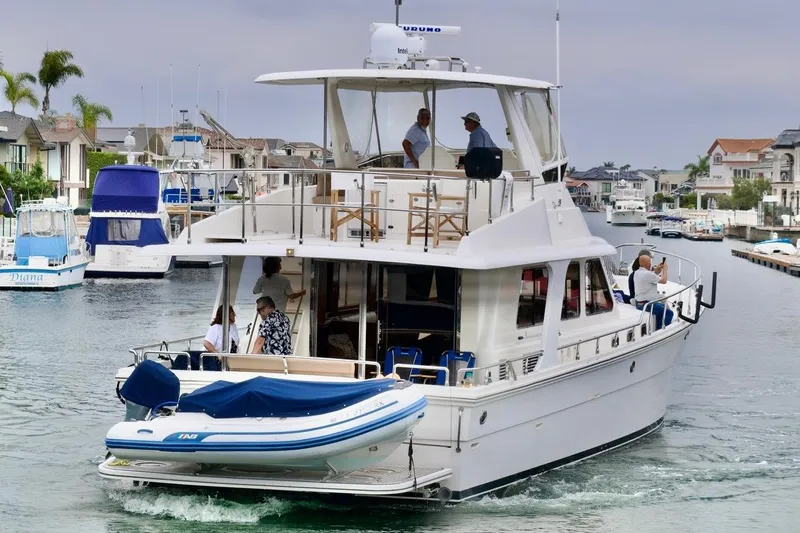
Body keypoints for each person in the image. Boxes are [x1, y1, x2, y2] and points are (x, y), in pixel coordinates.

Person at [633, 252, 673, 330]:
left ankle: (659, 326)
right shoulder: (647, 274)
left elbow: (651, 275)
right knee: (669, 313)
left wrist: (658, 269)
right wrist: (665, 269)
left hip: (639, 303)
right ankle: (661, 331)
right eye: (650, 262)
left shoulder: (637, 273)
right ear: (648, 263)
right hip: (646, 304)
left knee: (662, 307)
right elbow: (664, 281)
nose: (650, 264)